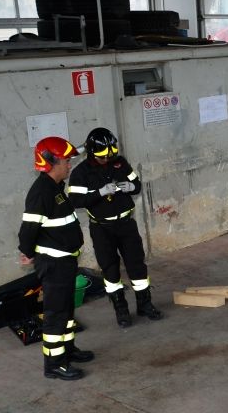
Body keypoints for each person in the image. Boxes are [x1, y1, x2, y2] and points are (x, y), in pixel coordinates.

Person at [68, 128, 162, 327]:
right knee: (110, 271)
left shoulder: (119, 162)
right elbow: (75, 200)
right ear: (92, 152)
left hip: (126, 224)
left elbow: (136, 183)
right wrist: (99, 192)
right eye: (102, 157)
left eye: (110, 156)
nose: (106, 160)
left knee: (137, 265)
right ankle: (121, 311)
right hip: (102, 229)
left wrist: (131, 187)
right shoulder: (80, 173)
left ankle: (145, 305)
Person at [19, 137, 94, 380]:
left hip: (65, 261)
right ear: (50, 162)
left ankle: (68, 350)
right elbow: (28, 229)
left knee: (67, 309)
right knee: (56, 313)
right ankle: (54, 364)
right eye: (65, 161)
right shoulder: (41, 192)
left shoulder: (55, 188)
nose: (70, 164)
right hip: (54, 263)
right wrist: (28, 252)